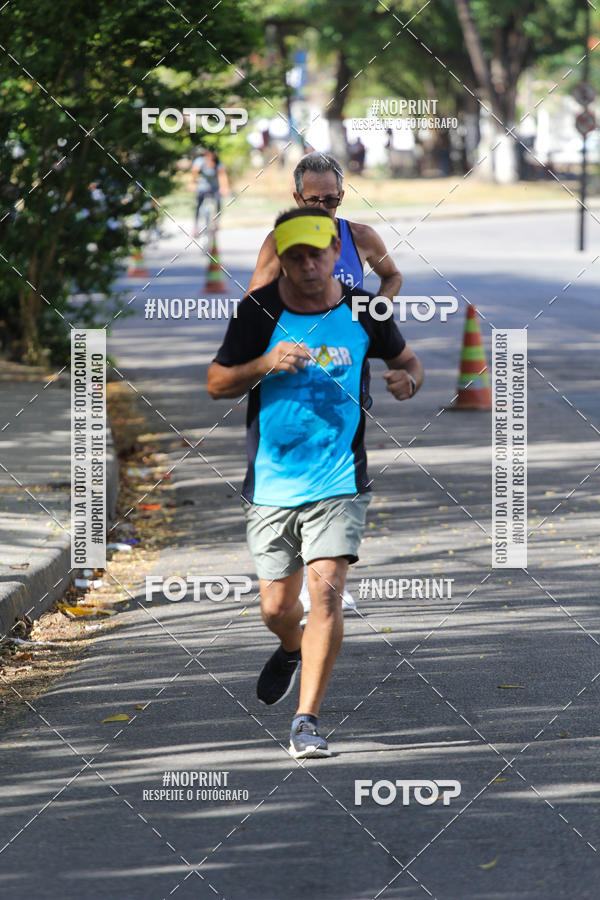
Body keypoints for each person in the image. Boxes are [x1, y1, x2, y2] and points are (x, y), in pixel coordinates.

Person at [207, 207, 423, 758]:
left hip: (339, 481)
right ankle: (291, 645)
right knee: (277, 609)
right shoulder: (258, 312)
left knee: (325, 593)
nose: (306, 265)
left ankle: (307, 721)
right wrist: (264, 364)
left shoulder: (364, 308)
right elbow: (216, 383)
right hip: (272, 484)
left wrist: (407, 382)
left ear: (335, 254)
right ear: (281, 259)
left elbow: (410, 364)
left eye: (316, 254)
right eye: (294, 256)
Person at [247, 152, 404, 619]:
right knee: (295, 473)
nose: (323, 210)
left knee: (339, 470)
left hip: (346, 381)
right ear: (295, 198)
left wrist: (375, 311)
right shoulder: (279, 243)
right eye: (313, 201)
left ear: (342, 197)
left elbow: (392, 275)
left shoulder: (360, 237)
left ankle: (328, 578)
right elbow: (253, 305)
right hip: (289, 385)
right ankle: (298, 576)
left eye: (331, 201)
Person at [191, 149, 230, 238]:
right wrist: (193, 183)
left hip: (215, 188)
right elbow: (195, 172)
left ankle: (216, 223)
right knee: (198, 204)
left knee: (219, 201)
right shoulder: (200, 162)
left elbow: (222, 176)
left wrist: (225, 187)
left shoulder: (218, 164)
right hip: (203, 187)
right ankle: (196, 227)